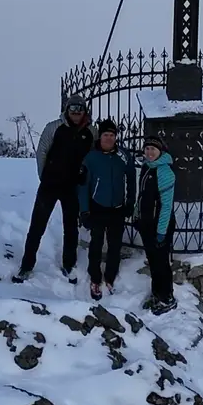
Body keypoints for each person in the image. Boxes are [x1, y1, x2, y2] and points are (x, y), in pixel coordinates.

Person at [16, 95, 94, 282]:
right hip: (50, 184)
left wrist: (84, 175)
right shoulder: (54, 127)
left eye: (80, 108)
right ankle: (26, 266)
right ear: (67, 109)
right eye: (72, 108)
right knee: (37, 225)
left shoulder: (91, 131)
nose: (76, 112)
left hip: (72, 186)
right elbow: (42, 150)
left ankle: (69, 265)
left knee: (71, 228)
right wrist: (44, 176)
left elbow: (92, 156)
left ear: (85, 111)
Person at [77, 119, 135, 300]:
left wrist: (129, 203)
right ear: (100, 136)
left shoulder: (123, 156)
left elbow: (131, 179)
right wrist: (84, 210)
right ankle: (95, 277)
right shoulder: (91, 157)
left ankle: (110, 276)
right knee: (96, 243)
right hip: (97, 207)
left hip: (117, 208)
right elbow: (83, 185)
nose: (109, 138)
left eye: (112, 135)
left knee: (115, 244)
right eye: (105, 135)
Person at [133, 135, 177, 313]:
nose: (149, 152)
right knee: (153, 261)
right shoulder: (147, 167)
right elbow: (142, 195)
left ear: (161, 151)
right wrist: (137, 216)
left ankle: (167, 298)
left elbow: (166, 205)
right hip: (147, 224)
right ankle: (157, 293)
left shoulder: (165, 172)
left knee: (161, 263)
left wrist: (161, 232)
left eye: (153, 149)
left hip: (160, 225)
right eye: (147, 148)